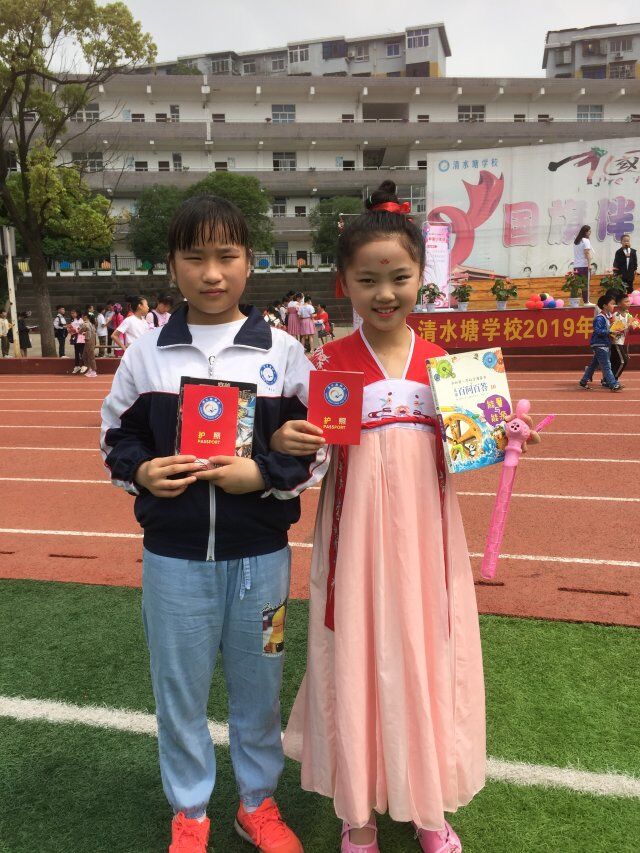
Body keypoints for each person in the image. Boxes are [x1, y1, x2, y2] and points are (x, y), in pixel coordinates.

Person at [273, 180, 540, 853]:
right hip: (353, 545)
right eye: (368, 280)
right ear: (343, 284)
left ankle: (427, 807)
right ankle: (358, 812)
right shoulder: (327, 363)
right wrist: (295, 442)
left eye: (399, 277)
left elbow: (467, 451)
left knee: (425, 657)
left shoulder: (446, 367)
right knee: (357, 656)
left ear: (422, 276)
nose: (385, 293)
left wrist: (504, 435)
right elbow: (312, 467)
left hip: (427, 546)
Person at [100, 194, 328, 853]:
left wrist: (263, 474)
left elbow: (315, 445)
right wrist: (143, 471)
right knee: (179, 692)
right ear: (172, 264)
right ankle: (191, 809)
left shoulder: (284, 352)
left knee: (261, 686)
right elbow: (116, 436)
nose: (211, 273)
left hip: (263, 561)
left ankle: (257, 803)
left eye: (226, 256)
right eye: (194, 257)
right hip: (173, 563)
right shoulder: (147, 353)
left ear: (250, 262)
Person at [579, 292, 622, 392]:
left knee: (594, 364)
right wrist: (610, 331)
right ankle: (613, 384)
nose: (613, 306)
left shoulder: (607, 317)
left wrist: (615, 332)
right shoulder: (599, 318)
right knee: (607, 365)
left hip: (605, 343)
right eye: (612, 304)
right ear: (605, 306)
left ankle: (584, 381)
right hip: (600, 344)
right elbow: (598, 331)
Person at [609, 290, 636, 381]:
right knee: (623, 361)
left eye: (629, 301)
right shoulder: (616, 315)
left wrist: (634, 325)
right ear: (619, 304)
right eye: (626, 301)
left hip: (621, 342)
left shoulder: (628, 315)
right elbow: (617, 330)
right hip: (615, 342)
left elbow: (632, 327)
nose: (628, 303)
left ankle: (607, 380)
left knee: (615, 362)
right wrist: (629, 324)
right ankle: (613, 379)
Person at [573, 225, 594, 305]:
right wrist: (589, 264)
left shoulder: (576, 241)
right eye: (589, 231)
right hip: (584, 266)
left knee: (576, 285)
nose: (590, 233)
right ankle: (586, 302)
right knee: (586, 285)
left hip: (576, 266)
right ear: (585, 232)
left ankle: (574, 302)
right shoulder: (586, 240)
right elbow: (587, 253)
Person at [79, 311, 98, 377]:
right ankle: (90, 369)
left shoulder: (86, 324)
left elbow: (80, 331)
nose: (82, 318)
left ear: (85, 316)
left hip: (89, 341)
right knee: (84, 356)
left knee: (90, 356)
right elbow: (91, 332)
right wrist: (85, 333)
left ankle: (93, 371)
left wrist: (79, 331)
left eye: (82, 316)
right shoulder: (91, 324)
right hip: (90, 341)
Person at [68, 309, 86, 373]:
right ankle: (77, 366)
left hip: (81, 337)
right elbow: (70, 329)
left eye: (74, 313)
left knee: (82, 352)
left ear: (77, 313)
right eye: (71, 313)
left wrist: (75, 330)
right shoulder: (72, 320)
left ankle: (84, 365)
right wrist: (70, 330)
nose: (72, 314)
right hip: (75, 337)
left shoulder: (81, 320)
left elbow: (82, 329)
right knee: (76, 352)